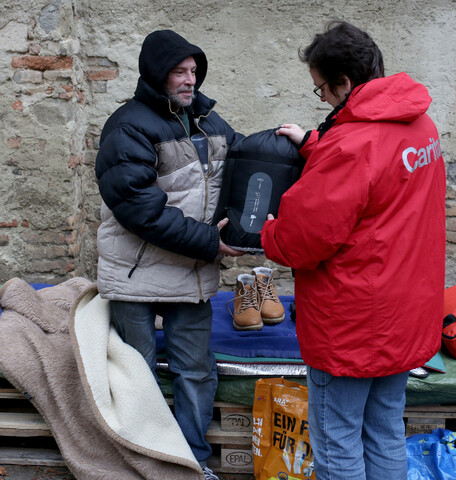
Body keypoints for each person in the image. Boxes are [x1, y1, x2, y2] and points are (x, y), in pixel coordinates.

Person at [261, 21, 446, 479]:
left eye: (321, 89)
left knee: (338, 437)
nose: (322, 100)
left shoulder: (352, 144)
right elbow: (377, 183)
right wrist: (315, 147)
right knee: (385, 429)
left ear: (344, 83)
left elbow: (303, 241)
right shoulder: (420, 126)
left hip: (353, 322)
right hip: (405, 313)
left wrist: (269, 233)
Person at [94, 29, 244, 480]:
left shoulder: (211, 124)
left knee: (196, 372)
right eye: (179, 71)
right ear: (157, 74)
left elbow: (243, 171)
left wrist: (288, 144)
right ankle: (141, 461)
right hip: (137, 275)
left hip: (191, 274)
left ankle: (191, 463)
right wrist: (209, 242)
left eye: (194, 71)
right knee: (135, 376)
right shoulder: (128, 126)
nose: (189, 80)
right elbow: (139, 209)